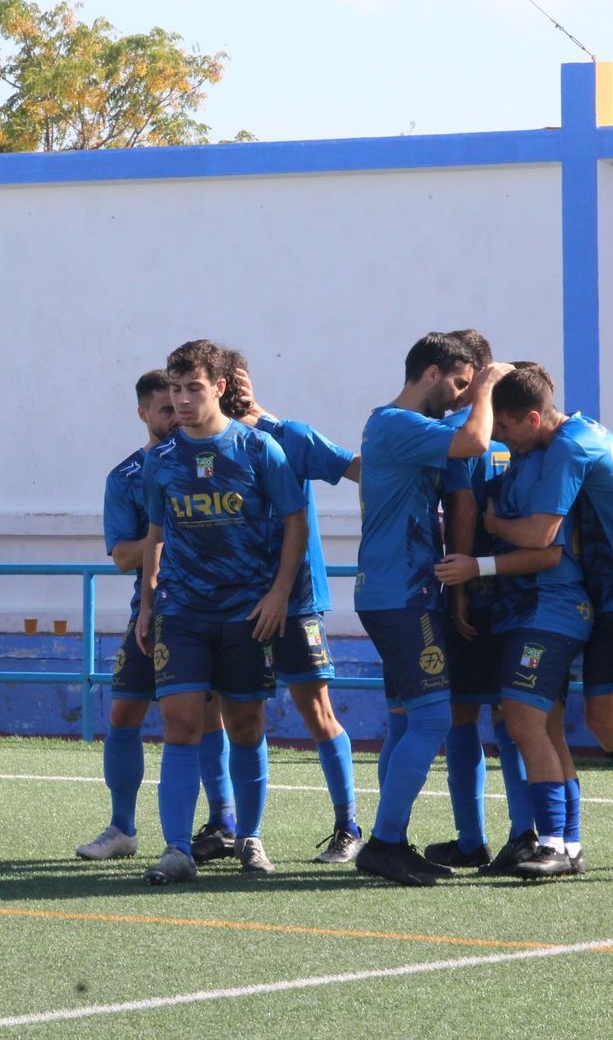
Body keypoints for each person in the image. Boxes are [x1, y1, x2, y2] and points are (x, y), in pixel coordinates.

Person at [483, 364, 613, 882]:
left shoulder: (569, 447)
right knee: (602, 718)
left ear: (534, 419)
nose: (500, 437)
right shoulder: (581, 429)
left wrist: (492, 523)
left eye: (505, 426)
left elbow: (540, 535)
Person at [136, 339, 308, 886]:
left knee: (247, 724)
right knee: (181, 723)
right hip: (183, 612)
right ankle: (176, 849)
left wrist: (279, 593)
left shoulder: (258, 449)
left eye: (194, 388)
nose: (182, 400)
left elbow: (296, 521)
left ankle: (250, 837)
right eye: (175, 389)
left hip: (246, 612)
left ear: (220, 387)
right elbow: (156, 533)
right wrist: (147, 603)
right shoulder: (160, 460)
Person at [352, 332, 509, 887]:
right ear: (431, 373)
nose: (464, 394)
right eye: (459, 382)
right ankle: (384, 843)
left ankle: (390, 840)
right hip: (398, 593)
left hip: (404, 590)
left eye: (471, 384)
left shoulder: (407, 427)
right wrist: (489, 385)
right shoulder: (395, 423)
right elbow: (473, 440)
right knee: (432, 718)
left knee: (408, 717)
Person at [224, 357, 365, 864]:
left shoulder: (288, 436)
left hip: (297, 599)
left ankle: (348, 825)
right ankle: (235, 829)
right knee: (235, 716)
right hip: (231, 603)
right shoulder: (197, 447)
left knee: (316, 710)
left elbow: (360, 470)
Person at [437, 434, 592, 878]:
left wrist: (472, 569)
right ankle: (564, 843)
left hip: (536, 608)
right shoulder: (533, 456)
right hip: (520, 606)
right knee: (540, 726)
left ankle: (540, 841)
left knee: (519, 723)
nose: (500, 428)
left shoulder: (486, 445)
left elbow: (544, 545)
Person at [76, 370, 209, 862]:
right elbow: (122, 556)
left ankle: (224, 825)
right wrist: (173, 535)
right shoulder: (127, 476)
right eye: (166, 408)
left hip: (212, 609)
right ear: (143, 413)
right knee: (123, 712)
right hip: (152, 609)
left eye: (181, 403)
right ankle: (122, 829)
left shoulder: (214, 461)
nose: (177, 414)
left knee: (211, 719)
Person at [426, 328, 535, 875]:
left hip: (478, 586)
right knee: (518, 717)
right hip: (529, 587)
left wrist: (460, 588)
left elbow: (462, 510)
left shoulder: (458, 433)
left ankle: (475, 839)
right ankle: (528, 833)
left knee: (463, 713)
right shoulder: (528, 431)